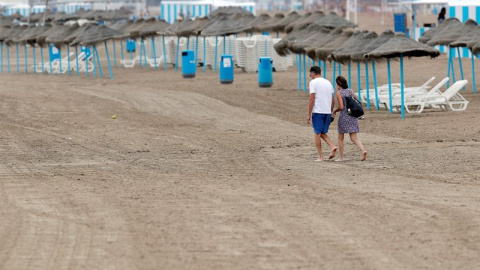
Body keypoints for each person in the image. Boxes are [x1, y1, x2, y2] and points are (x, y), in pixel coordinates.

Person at [332, 76, 367, 162]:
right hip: (353, 116)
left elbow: (341, 106)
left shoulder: (339, 93)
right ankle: (363, 150)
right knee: (354, 138)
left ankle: (341, 157)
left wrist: (335, 111)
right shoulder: (351, 91)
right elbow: (358, 100)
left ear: (338, 84)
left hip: (344, 116)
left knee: (340, 138)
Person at [307, 66, 337, 162]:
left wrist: (309, 114)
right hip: (327, 111)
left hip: (318, 111)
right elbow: (333, 100)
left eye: (310, 75)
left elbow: (312, 99)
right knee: (322, 132)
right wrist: (331, 111)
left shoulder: (313, 82)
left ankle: (320, 156)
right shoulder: (328, 82)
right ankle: (332, 146)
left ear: (313, 74)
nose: (310, 76)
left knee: (317, 133)